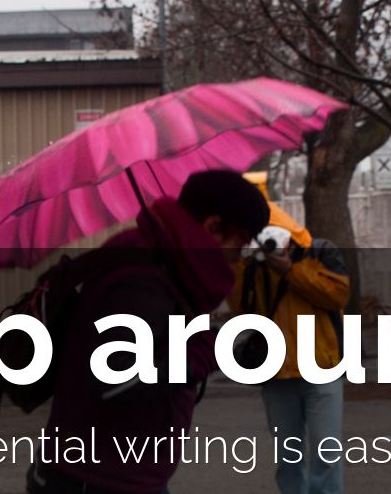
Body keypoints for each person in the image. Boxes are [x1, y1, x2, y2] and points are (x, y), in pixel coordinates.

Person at [27, 169, 270, 494]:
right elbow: (116, 380)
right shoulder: (142, 277)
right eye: (241, 243)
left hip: (120, 476)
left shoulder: (165, 266)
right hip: (97, 481)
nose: (239, 258)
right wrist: (209, 351)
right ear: (213, 227)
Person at [229, 203, 350, 494]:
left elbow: (338, 295)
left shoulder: (319, 252)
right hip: (276, 373)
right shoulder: (253, 265)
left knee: (326, 453)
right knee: (288, 457)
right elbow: (241, 311)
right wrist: (240, 265)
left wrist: (290, 271)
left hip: (321, 367)